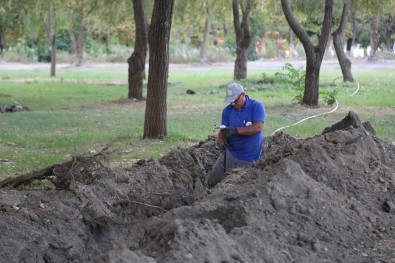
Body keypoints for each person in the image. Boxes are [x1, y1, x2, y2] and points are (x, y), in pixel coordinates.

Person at [206, 82, 266, 188]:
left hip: (249, 158)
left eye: (235, 100)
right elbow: (223, 130)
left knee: (240, 187)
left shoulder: (256, 106)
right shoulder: (227, 111)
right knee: (212, 182)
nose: (233, 104)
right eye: (231, 101)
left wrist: (236, 130)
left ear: (243, 95)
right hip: (230, 153)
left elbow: (258, 127)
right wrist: (220, 141)